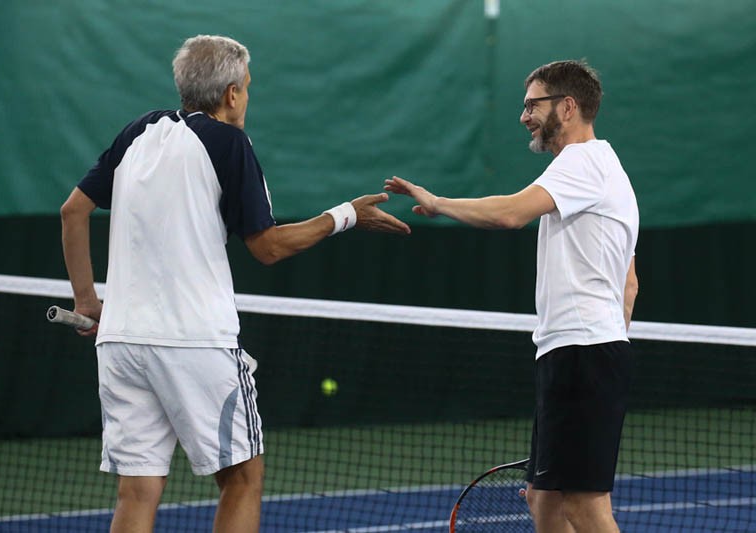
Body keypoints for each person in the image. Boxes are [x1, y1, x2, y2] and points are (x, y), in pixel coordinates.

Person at [60, 34, 409, 533]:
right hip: (196, 342)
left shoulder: (139, 130)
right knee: (243, 479)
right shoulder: (229, 142)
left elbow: (73, 211)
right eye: (247, 87)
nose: (247, 96)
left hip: (120, 343)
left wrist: (87, 299)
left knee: (136, 491)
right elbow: (268, 247)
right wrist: (346, 215)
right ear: (231, 93)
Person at [385, 60, 638, 533]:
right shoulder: (609, 170)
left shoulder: (583, 161)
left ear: (568, 106)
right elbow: (630, 284)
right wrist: (604, 345)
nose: (524, 116)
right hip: (581, 350)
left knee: (584, 505)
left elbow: (510, 213)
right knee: (544, 498)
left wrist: (438, 203)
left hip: (582, 352)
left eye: (532, 105)